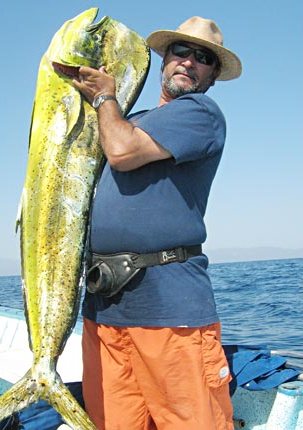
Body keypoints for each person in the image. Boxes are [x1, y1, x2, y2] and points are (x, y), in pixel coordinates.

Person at [72, 15, 242, 430]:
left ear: (212, 76)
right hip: (105, 307)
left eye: (203, 58)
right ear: (164, 59)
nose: (189, 61)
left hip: (169, 308)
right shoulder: (135, 117)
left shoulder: (200, 112)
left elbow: (122, 151)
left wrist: (104, 98)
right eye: (181, 51)